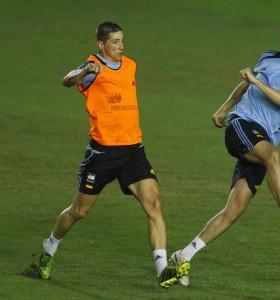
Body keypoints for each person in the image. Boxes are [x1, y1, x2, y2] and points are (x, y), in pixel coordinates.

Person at [170, 19, 280, 286]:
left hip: (262, 137)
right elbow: (245, 86)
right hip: (242, 125)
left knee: (235, 208)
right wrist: (224, 107)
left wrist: (257, 81)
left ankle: (182, 256)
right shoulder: (268, 57)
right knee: (274, 156)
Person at [33, 21, 188, 288]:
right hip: (102, 154)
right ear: (101, 45)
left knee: (154, 205)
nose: (120, 46)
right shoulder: (92, 67)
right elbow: (66, 81)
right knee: (78, 212)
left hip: (133, 151)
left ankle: (162, 269)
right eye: (115, 42)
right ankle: (50, 246)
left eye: (122, 41)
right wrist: (83, 71)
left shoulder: (130, 65)